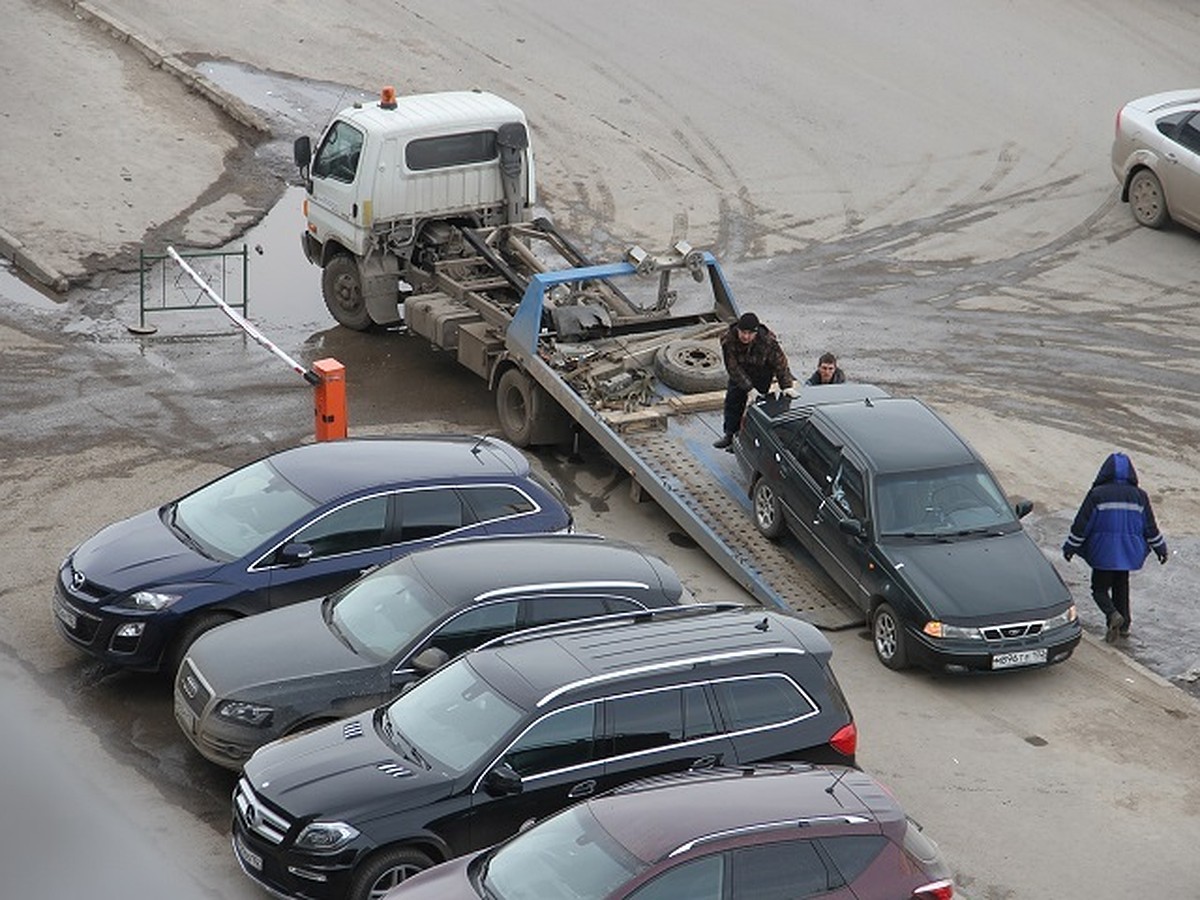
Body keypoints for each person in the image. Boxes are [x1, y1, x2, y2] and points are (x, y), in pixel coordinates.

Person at [1062, 452, 1168, 643]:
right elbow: (1150, 527)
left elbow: (1082, 525)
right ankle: (1125, 625)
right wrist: (1160, 548)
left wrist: (1070, 547)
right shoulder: (1139, 496)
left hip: (1103, 552)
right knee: (1121, 586)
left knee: (1099, 589)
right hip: (1128, 553)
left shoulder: (1097, 495)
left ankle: (1112, 614)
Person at [713, 311, 796, 449]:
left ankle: (746, 440)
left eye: (750, 333)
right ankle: (730, 435)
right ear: (738, 330)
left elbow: (780, 363)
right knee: (733, 403)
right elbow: (732, 367)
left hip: (762, 372)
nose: (745, 337)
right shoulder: (729, 340)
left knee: (757, 407)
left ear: (756, 333)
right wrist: (749, 389)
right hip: (740, 372)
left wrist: (786, 385)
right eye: (743, 332)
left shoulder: (768, 341)